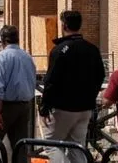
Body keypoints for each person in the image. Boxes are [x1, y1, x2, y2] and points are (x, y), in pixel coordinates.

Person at [39, 10, 104, 163]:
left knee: (50, 144)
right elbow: (100, 75)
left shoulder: (59, 50)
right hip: (85, 108)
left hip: (63, 107)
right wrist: (91, 96)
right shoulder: (92, 49)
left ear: (64, 25)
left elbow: (51, 81)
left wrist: (44, 107)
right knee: (77, 146)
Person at [0, 25, 37, 163]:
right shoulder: (27, 57)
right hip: (24, 105)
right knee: (20, 146)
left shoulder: (2, 57)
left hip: (6, 107)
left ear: (3, 40)